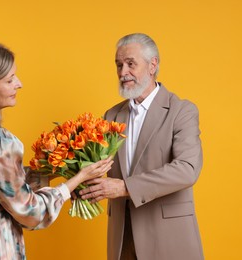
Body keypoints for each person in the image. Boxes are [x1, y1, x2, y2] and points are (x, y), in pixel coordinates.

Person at [0, 41, 113, 260]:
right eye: (9, 79)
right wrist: (76, 179)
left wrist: (51, 170)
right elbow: (31, 213)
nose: (19, 84)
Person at [80, 33, 204, 260]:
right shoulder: (111, 115)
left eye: (130, 64)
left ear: (152, 64)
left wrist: (125, 188)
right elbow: (97, 166)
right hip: (122, 236)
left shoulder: (182, 111)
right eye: (118, 65)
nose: (122, 72)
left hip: (168, 236)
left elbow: (187, 169)